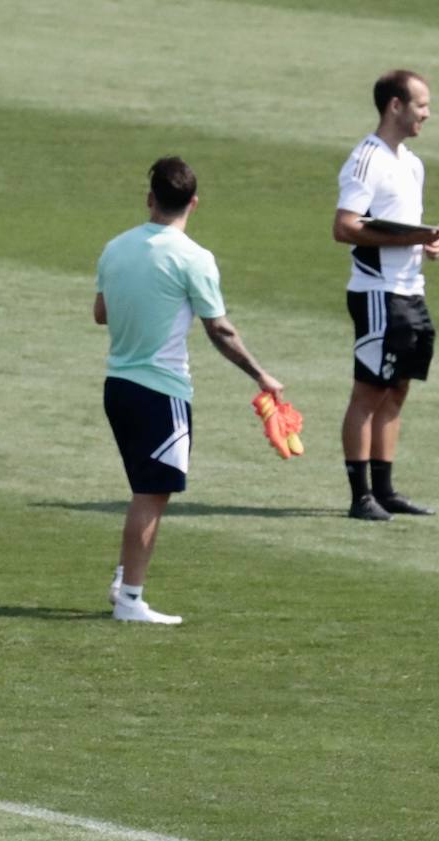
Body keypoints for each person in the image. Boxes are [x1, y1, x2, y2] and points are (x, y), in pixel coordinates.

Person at [95, 157, 284, 624]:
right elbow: (219, 329)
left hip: (117, 385)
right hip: (162, 391)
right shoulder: (194, 259)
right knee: (152, 494)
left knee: (145, 491)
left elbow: (101, 313)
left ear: (149, 198)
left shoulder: (115, 248)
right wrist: (262, 376)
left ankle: (124, 582)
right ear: (194, 203)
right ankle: (131, 600)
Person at [333, 70, 439, 521]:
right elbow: (345, 226)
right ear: (395, 106)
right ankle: (360, 496)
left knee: (397, 390)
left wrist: (428, 242)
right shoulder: (366, 159)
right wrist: (410, 240)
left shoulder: (411, 163)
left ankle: (385, 488)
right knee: (368, 391)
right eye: (421, 104)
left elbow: (403, 227)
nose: (427, 113)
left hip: (410, 293)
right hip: (377, 294)